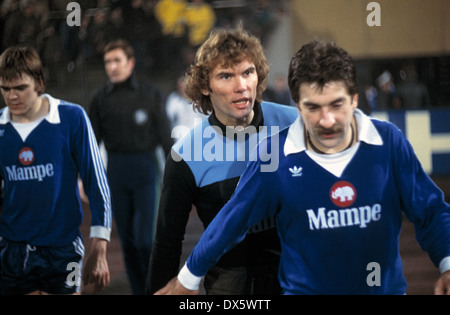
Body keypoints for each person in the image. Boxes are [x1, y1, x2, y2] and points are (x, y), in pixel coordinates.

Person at [155, 40, 450, 295]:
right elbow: (231, 221)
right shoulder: (274, 155)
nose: (327, 120)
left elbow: (431, 210)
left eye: (337, 105)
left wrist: (448, 262)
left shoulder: (388, 143)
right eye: (313, 107)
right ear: (296, 105)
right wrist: (187, 279)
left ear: (356, 98)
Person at [146, 26, 298, 295]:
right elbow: (168, 240)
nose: (241, 86)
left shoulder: (295, 124)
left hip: (296, 272)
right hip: (230, 281)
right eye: (226, 76)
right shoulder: (186, 154)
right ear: (205, 86)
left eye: (247, 72)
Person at [0, 46, 112, 295]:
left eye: (20, 88)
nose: (12, 96)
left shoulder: (72, 118)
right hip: (11, 249)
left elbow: (97, 183)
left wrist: (100, 246)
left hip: (63, 249)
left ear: (39, 83)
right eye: (5, 89)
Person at [88, 39, 173, 295]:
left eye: (117, 61)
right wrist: (84, 177)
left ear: (131, 63)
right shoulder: (100, 99)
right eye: (107, 62)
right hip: (116, 171)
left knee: (145, 241)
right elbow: (91, 145)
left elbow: (167, 138)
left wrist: (178, 175)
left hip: (146, 169)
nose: (112, 67)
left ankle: (157, 288)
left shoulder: (150, 94)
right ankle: (140, 291)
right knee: (128, 241)